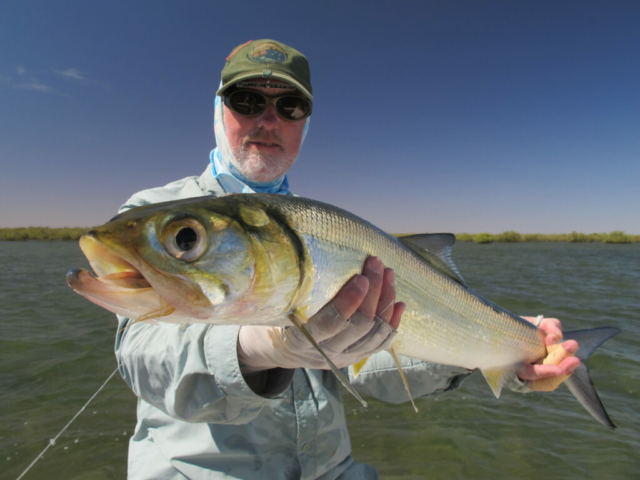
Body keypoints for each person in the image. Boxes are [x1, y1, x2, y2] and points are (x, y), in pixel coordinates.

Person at [115, 39, 579, 480]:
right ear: (219, 111)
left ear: (306, 124)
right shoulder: (155, 213)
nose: (269, 120)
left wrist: (496, 346)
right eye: (247, 100)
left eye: (290, 107)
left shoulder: (328, 231)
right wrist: (256, 350)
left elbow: (368, 367)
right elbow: (141, 359)